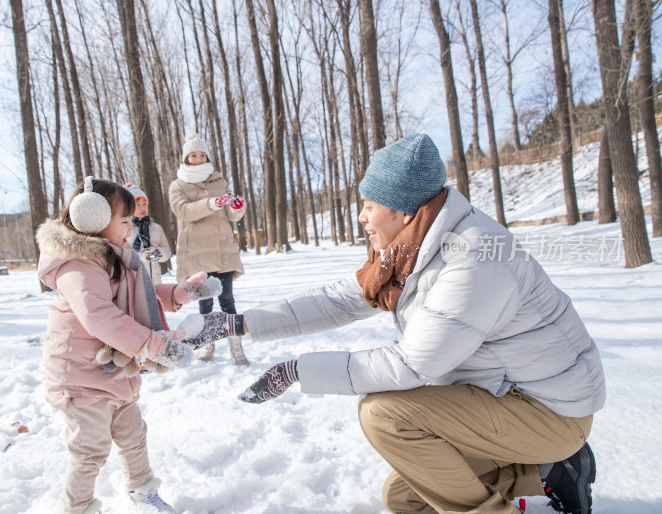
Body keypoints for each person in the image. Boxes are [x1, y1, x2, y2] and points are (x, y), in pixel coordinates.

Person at [180, 134, 605, 514]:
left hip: (547, 409)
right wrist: (236, 324)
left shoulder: (474, 257)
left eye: (368, 207)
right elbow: (335, 300)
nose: (361, 218)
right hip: (500, 397)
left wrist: (297, 370)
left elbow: (412, 366)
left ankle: (532, 471)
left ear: (403, 211)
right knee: (406, 499)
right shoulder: (410, 252)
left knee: (385, 415)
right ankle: (551, 469)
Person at [36, 176, 218, 514]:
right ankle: (76, 507)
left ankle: (142, 490)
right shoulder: (78, 265)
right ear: (93, 219)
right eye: (124, 221)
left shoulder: (116, 257)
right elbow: (99, 316)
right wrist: (154, 344)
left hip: (113, 371)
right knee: (90, 450)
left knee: (134, 435)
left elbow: (142, 296)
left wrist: (180, 293)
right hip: (81, 375)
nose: (131, 228)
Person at [168, 132, 249, 365]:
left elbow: (228, 214)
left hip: (222, 250)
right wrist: (212, 203)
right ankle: (207, 342)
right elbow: (183, 211)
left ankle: (236, 344)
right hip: (197, 255)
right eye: (194, 155)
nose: (199, 158)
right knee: (205, 303)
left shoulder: (219, 181)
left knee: (227, 299)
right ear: (186, 158)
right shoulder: (178, 185)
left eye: (202, 154)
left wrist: (237, 209)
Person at [125, 183, 172, 285]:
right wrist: (143, 255)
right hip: (134, 281)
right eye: (138, 205)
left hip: (155, 280)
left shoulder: (156, 228)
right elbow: (124, 254)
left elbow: (167, 253)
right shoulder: (126, 229)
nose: (142, 208)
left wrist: (156, 252)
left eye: (144, 204)